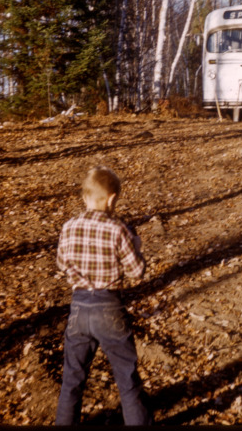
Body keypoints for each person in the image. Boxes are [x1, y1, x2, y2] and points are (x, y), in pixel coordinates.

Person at [55, 165, 151, 426]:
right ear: (112, 199)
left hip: (78, 309)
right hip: (109, 308)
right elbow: (136, 272)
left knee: (72, 380)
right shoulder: (118, 229)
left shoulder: (68, 226)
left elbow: (62, 264)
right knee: (127, 379)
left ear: (85, 197)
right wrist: (137, 247)